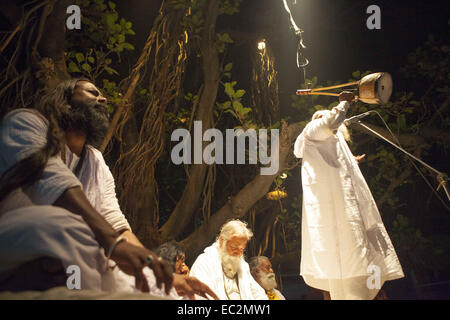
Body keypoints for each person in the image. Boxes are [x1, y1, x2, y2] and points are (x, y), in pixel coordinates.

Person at [0, 79, 217, 300]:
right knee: (69, 225)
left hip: (74, 254)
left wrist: (154, 267)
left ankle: (75, 286)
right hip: (20, 242)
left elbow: (117, 224)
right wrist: (113, 245)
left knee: (156, 288)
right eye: (92, 93)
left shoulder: (95, 160)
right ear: (65, 102)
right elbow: (58, 185)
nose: (103, 99)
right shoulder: (25, 123)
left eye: (102, 95)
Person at [293, 91, 404, 300]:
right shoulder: (314, 127)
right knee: (348, 250)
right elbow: (329, 123)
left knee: (357, 248)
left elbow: (332, 157)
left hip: (343, 203)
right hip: (335, 205)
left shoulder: (331, 140)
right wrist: (344, 102)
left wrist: (352, 160)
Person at [190, 219, 268, 300]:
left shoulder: (243, 265)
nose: (238, 253)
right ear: (221, 241)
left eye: (241, 249)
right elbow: (200, 296)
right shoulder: (204, 262)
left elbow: (257, 293)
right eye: (233, 247)